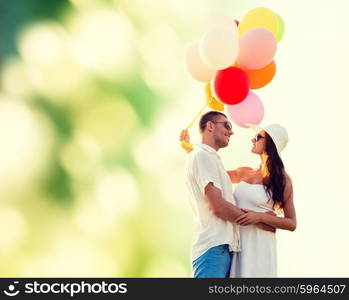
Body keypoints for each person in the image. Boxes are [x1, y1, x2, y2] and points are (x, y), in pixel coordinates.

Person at [180, 121, 296, 277]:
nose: (252, 140)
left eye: (258, 137)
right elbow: (211, 171)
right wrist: (190, 149)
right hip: (238, 242)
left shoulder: (283, 180)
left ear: (271, 144)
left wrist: (259, 217)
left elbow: (291, 223)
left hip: (260, 244)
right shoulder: (244, 172)